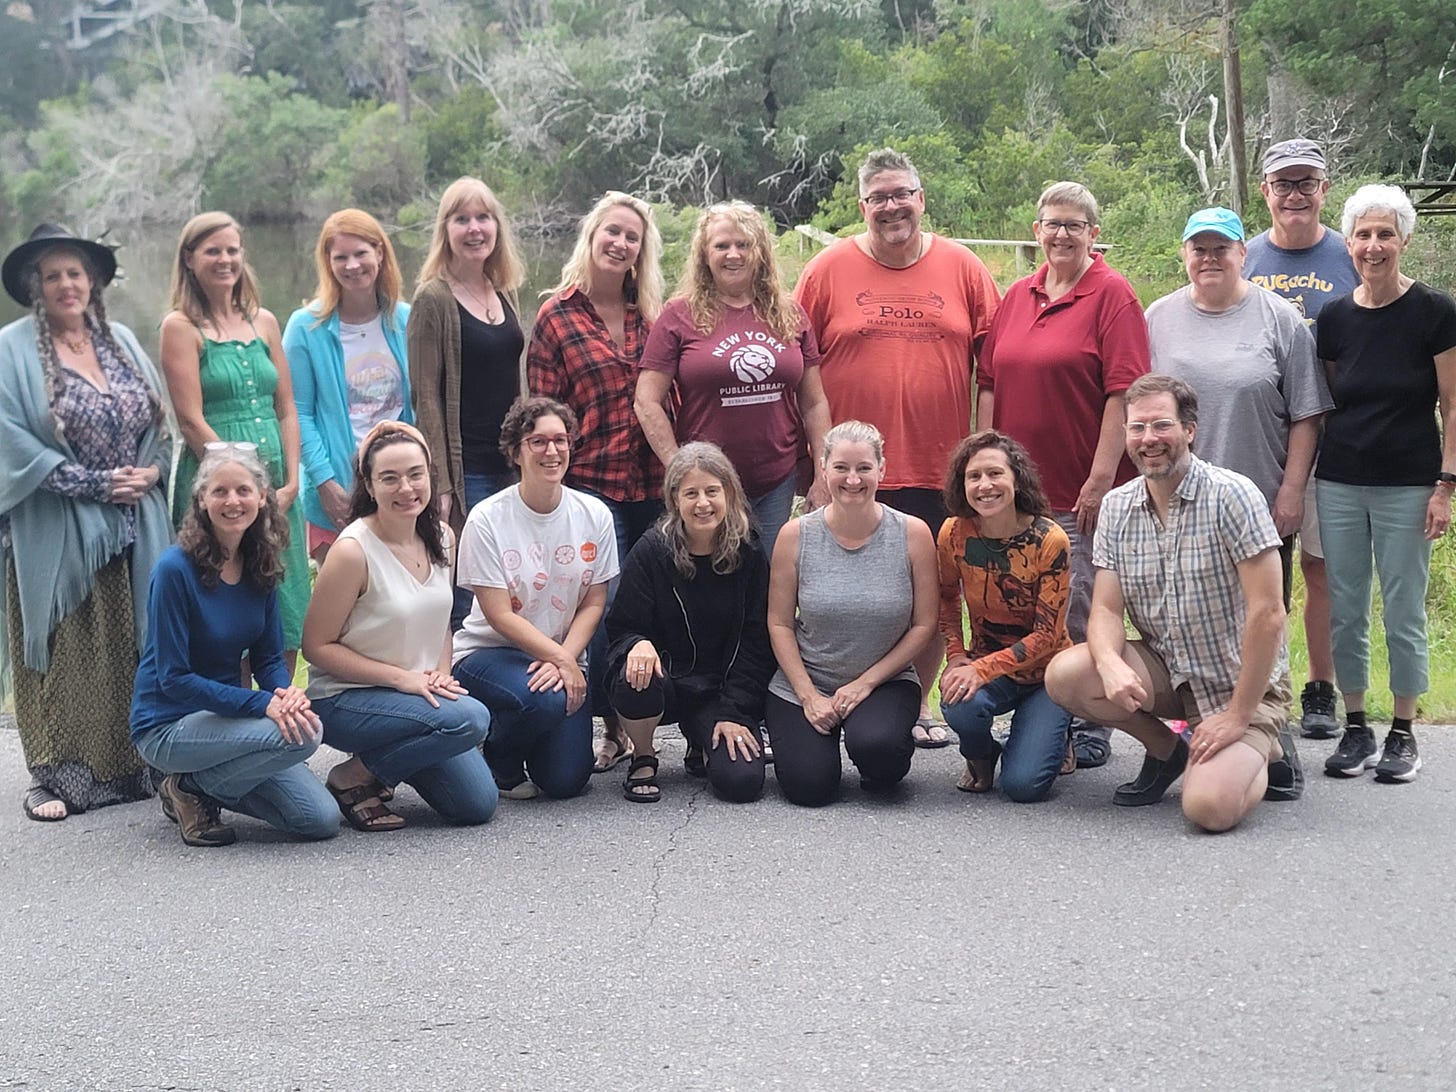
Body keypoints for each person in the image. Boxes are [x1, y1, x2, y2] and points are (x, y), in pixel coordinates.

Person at [795, 147, 1002, 747]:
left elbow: (993, 366)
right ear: (863, 206)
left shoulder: (962, 267)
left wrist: (981, 454)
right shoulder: (827, 270)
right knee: (835, 590)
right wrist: (813, 466)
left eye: (901, 194)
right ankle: (825, 695)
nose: (892, 207)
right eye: (879, 197)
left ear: (921, 199)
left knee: (933, 592)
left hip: (939, 467)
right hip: (849, 474)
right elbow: (798, 373)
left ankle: (913, 703)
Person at [1044, 376, 1291, 832]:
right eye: (1137, 429)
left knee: (1208, 810)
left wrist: (1238, 716)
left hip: (1239, 682)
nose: (1148, 439)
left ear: (1190, 430)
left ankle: (1267, 743)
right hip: (1170, 670)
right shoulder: (1117, 507)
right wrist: (1109, 663)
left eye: (1162, 425)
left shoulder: (1233, 495)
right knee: (1067, 674)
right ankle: (1167, 751)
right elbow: (1105, 610)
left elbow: (1269, 613)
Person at [1146, 206, 1330, 801]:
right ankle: (1178, 738)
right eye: (1197, 248)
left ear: (1241, 254)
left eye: (1220, 247)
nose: (1209, 258)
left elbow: (1307, 413)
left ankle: (1273, 738)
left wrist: (1293, 489)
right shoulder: (1158, 319)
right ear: (1184, 254)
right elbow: (1140, 414)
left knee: (1260, 620)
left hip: (1258, 500)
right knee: (1177, 624)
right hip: (1175, 504)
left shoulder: (1280, 319)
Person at [1, 224, 173, 822]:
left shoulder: (119, 338)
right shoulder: (11, 349)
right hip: (59, 526)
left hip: (135, 522)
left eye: (75, 273)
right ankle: (56, 778)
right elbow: (11, 445)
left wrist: (150, 473)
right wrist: (94, 484)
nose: (66, 284)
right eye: (53, 276)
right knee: (69, 651)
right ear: (35, 287)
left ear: (94, 280)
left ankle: (134, 765)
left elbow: (158, 423)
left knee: (132, 645)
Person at [976, 181, 1149, 772]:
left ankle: (1089, 721)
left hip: (1080, 489)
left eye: (1075, 225)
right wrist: (984, 461)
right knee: (1029, 610)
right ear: (1036, 231)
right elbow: (990, 382)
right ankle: (1040, 717)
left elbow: (1123, 393)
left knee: (1079, 608)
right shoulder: (1017, 296)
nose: (1061, 234)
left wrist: (1100, 481)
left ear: (1094, 233)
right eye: (1052, 223)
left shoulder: (1113, 295)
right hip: (1019, 496)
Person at [1315, 185, 1456, 784]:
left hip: (1409, 483)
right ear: (1348, 244)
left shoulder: (1435, 312)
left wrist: (1446, 485)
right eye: (1363, 235)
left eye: (1385, 234)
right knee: (1345, 608)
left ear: (1403, 240)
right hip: (1340, 480)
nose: (1374, 246)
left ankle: (1402, 731)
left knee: (1403, 610)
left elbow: (1453, 404)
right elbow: (1322, 404)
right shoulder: (1334, 317)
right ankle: (1355, 726)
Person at [129, 444, 337, 846]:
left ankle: (196, 787)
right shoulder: (175, 570)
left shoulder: (261, 561)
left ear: (262, 497)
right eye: (220, 491)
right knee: (304, 736)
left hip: (225, 723)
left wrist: (284, 691)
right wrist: (262, 705)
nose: (232, 501)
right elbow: (172, 679)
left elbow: (268, 659)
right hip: (169, 724)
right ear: (202, 500)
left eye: (243, 490)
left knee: (319, 819)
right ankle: (187, 784)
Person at [528, 190, 666, 774]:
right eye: (611, 231)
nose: (620, 243)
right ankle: (604, 725)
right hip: (590, 484)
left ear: (641, 251)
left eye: (631, 237)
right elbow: (541, 409)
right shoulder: (556, 315)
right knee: (599, 605)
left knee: (647, 604)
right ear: (592, 236)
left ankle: (641, 720)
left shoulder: (654, 315)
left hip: (654, 482)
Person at [302, 421, 498, 830]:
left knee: (476, 805)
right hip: (346, 698)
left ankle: (377, 769)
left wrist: (440, 676)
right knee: (471, 718)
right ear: (369, 487)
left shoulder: (443, 537)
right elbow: (316, 647)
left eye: (415, 474)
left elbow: (441, 624)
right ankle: (350, 779)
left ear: (430, 475)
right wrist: (403, 680)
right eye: (389, 478)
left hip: (416, 697)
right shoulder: (352, 552)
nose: (406, 488)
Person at [1244, 138, 1361, 740]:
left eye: (1305, 183)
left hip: (1339, 436)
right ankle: (1259, 681)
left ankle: (1321, 686)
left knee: (1320, 569)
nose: (1294, 195)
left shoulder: (1350, 254)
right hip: (1267, 437)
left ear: (1324, 189)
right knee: (1259, 574)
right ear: (1264, 191)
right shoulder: (1245, 258)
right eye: (1282, 184)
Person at [636, 199, 830, 559]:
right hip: (707, 488)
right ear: (704, 254)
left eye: (744, 244)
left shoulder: (790, 314)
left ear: (760, 252)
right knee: (711, 581)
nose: (733, 254)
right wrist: (679, 469)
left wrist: (822, 474)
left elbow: (814, 401)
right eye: (721, 245)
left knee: (771, 584)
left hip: (776, 481)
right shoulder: (679, 315)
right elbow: (646, 401)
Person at [161, 211, 310, 664]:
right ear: (189, 259)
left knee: (285, 606)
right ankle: (235, 721)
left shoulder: (263, 320)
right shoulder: (179, 327)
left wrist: (289, 482)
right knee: (227, 607)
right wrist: (239, 486)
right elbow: (189, 420)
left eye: (232, 250)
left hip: (275, 482)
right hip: (218, 485)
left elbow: (286, 406)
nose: (225, 259)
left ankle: (281, 712)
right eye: (212, 251)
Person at [452, 397, 619, 800]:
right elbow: (497, 615)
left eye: (561, 440)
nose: (552, 451)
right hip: (489, 653)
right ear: (516, 451)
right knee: (544, 700)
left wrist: (566, 656)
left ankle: (521, 732)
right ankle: (499, 759)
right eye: (538, 441)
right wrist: (562, 661)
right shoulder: (487, 518)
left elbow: (594, 601)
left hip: (560, 658)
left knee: (566, 780)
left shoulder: (594, 515)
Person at [766, 421, 938, 806]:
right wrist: (809, 696)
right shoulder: (796, 535)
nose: (853, 479)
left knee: (879, 754)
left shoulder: (913, 534)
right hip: (806, 681)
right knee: (809, 788)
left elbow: (924, 624)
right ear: (823, 469)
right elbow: (778, 623)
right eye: (841, 467)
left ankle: (874, 745)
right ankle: (816, 745)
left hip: (884, 682)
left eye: (864, 467)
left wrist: (865, 684)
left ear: (882, 470)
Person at [605, 442, 773, 804]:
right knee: (635, 676)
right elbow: (620, 626)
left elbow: (758, 641)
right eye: (691, 493)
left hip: (719, 690)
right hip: (666, 680)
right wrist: (638, 642)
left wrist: (734, 711)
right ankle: (644, 754)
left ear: (729, 494)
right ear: (674, 499)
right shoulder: (652, 550)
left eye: (712, 491)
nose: (703, 503)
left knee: (741, 782)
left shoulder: (751, 551)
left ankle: (701, 741)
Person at [937, 431, 1072, 802]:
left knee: (1023, 787)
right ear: (961, 484)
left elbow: (1047, 634)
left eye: (995, 474)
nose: (985, 485)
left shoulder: (1050, 540)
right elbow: (946, 598)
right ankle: (980, 754)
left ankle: (1055, 733)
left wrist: (978, 670)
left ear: (1017, 478)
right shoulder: (953, 533)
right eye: (974, 476)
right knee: (957, 699)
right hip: (988, 667)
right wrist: (957, 657)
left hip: (1047, 675)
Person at [283, 208, 412, 561]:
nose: (352, 265)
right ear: (327, 262)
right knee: (346, 607)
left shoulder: (405, 319)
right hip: (338, 488)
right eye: (341, 257)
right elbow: (298, 412)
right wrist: (324, 482)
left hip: (401, 487)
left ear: (380, 254)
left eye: (361, 253)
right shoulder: (305, 328)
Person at [408, 177, 526, 541]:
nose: (474, 228)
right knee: (467, 587)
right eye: (461, 219)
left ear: (497, 227)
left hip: (509, 464)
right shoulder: (433, 299)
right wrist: (440, 483)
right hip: (466, 472)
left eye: (483, 217)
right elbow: (425, 396)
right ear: (445, 231)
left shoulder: (503, 289)